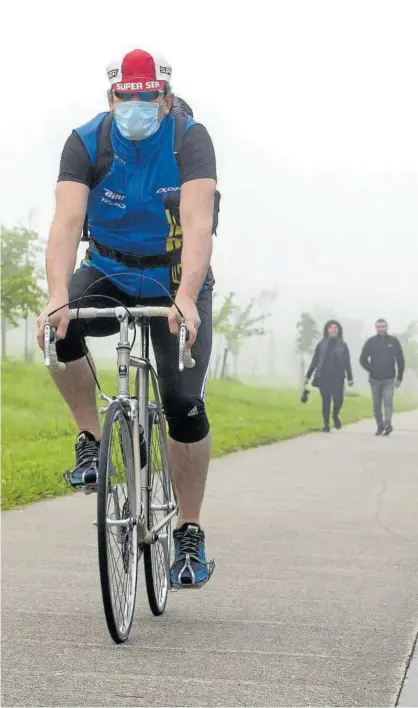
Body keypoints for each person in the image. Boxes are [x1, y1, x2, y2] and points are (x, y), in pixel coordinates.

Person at [36, 48, 218, 589]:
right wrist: (54, 294)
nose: (134, 107)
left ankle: (189, 530)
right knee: (56, 328)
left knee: (182, 403)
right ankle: (91, 436)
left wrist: (186, 295)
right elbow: (66, 224)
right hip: (109, 270)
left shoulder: (189, 140)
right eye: (124, 97)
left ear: (163, 97)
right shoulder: (87, 141)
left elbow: (198, 222)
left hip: (174, 279)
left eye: (145, 98)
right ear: (110, 97)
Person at [305, 320, 353, 432]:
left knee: (338, 399)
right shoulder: (321, 344)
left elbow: (347, 362)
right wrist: (308, 376)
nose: (333, 329)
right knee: (325, 400)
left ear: (338, 330)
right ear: (327, 330)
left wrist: (350, 377)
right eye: (331, 327)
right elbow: (315, 361)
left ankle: (335, 415)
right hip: (323, 376)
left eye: (335, 327)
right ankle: (326, 425)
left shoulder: (343, 345)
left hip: (338, 377)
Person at [359, 318, 405, 436]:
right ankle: (380, 426)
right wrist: (371, 368)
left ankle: (387, 423)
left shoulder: (393, 341)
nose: (381, 329)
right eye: (379, 327)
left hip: (389, 378)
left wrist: (399, 377)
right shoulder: (371, 342)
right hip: (374, 379)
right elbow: (362, 359)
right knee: (376, 405)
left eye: (383, 326)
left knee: (388, 402)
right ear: (376, 328)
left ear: (387, 327)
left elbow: (400, 360)